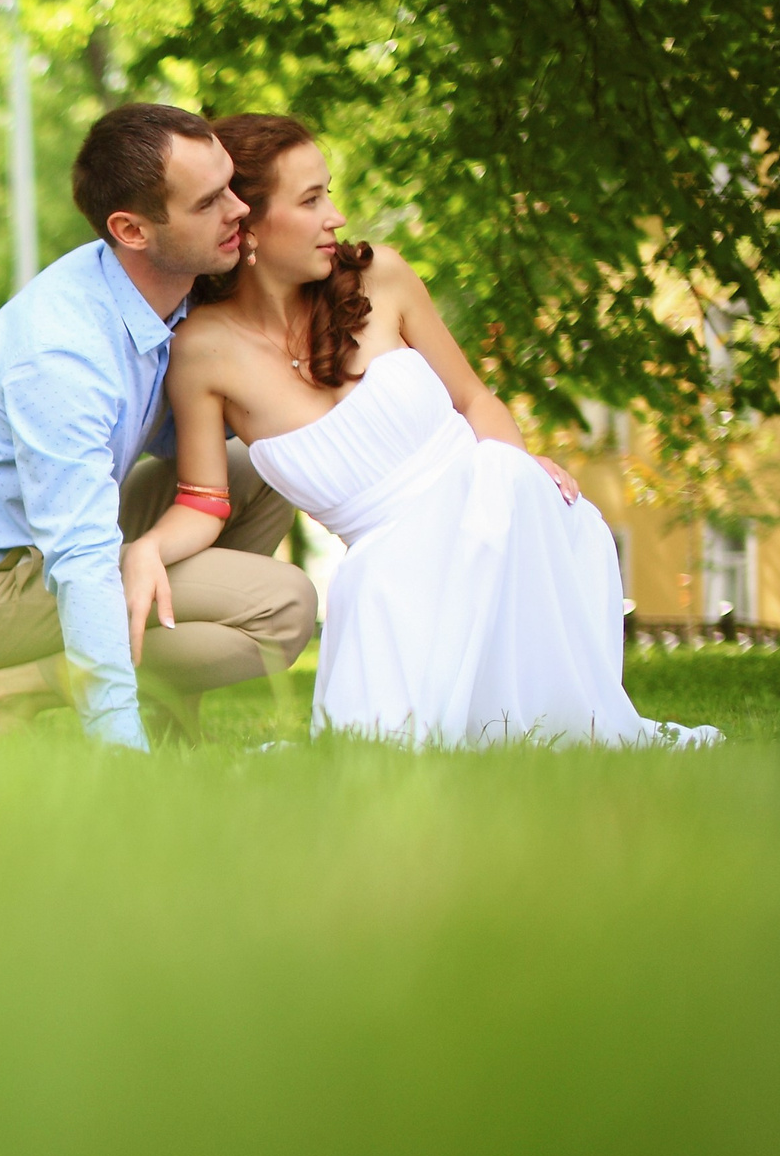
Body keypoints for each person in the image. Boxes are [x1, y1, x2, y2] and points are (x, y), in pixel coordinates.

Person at [127, 113, 720, 749]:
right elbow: (204, 501)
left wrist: (512, 473)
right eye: (310, 200)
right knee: (381, 734)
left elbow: (473, 399)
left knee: (494, 715)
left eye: (328, 192)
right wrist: (148, 549)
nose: (334, 216)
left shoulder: (380, 276)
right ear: (246, 225)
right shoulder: (202, 351)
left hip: (494, 524)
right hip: (387, 575)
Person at [0, 103, 318, 750]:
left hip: (41, 554)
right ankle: (15, 690)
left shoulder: (166, 302)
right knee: (284, 607)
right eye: (208, 203)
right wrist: (119, 752)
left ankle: (175, 730)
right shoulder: (62, 351)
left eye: (231, 185)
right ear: (132, 229)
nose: (237, 210)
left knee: (265, 466)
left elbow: (200, 445)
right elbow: (80, 556)